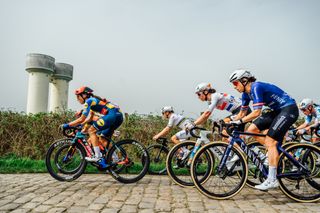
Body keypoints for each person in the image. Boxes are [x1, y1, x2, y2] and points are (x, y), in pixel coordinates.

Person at [229, 69, 299, 190]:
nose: (234, 87)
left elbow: (256, 112)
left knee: (270, 141)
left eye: (235, 83)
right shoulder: (245, 94)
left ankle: (272, 179)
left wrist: (239, 122)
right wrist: (230, 122)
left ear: (244, 81)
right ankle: (273, 152)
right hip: (277, 111)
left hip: (289, 109)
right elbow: (241, 114)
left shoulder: (256, 87)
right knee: (251, 129)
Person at [61, 86, 123, 168]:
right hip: (118, 116)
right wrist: (79, 126)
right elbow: (88, 119)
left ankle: (97, 157)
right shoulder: (94, 102)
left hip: (112, 115)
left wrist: (67, 125)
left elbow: (82, 119)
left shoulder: (89, 101)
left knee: (91, 131)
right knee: (102, 138)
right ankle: (114, 160)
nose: (77, 99)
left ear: (84, 95)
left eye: (78, 96)